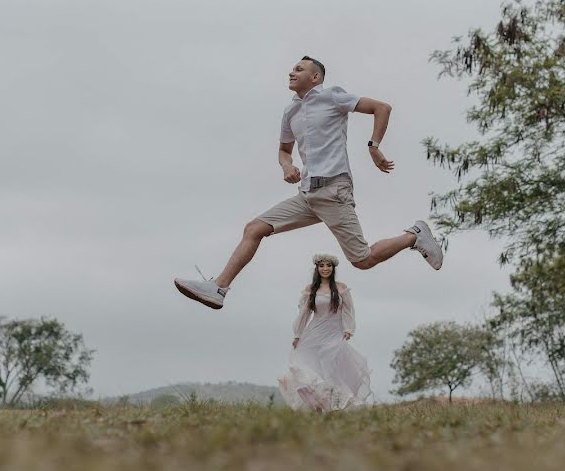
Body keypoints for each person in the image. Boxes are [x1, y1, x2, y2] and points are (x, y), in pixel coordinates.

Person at [174, 55, 443, 309]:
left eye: (299, 69)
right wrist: (287, 165)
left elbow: (381, 108)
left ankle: (414, 235)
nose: (292, 72)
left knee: (363, 260)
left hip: (333, 190)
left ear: (315, 77)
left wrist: (373, 146)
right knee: (254, 228)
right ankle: (219, 289)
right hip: (306, 196)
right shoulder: (291, 112)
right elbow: (283, 150)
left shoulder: (331, 96)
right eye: (292, 69)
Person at [277, 254, 372, 412]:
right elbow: (304, 313)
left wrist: (348, 329)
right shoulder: (310, 289)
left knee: (332, 367)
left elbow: (349, 310)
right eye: (322, 266)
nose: (325, 268)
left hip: (335, 333)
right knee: (305, 364)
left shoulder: (341, 288)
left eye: (328, 265)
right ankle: (318, 406)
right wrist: (297, 334)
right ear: (317, 268)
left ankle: (334, 405)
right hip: (314, 332)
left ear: (333, 268)